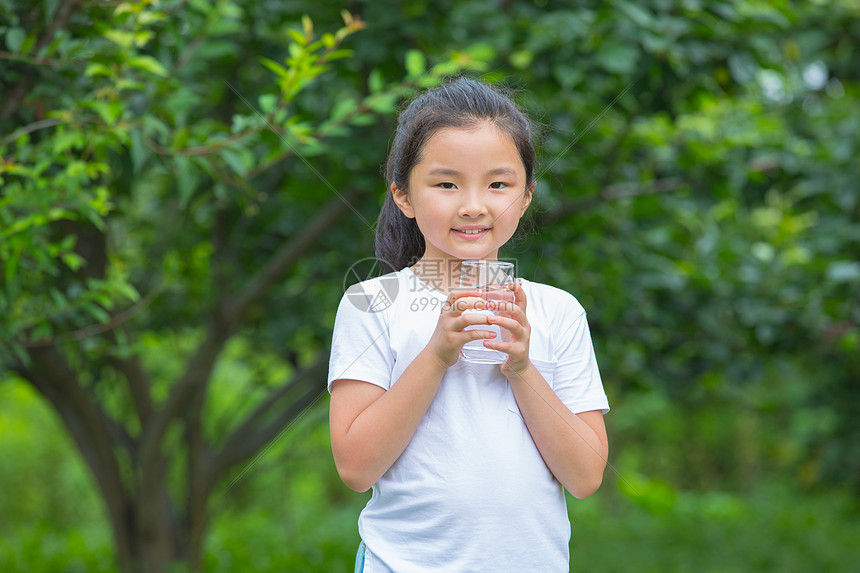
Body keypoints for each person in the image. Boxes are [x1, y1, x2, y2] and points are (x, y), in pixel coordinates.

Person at [328, 77, 610, 573]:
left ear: (526, 197)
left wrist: (522, 367)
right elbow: (355, 466)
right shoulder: (372, 304)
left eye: (498, 184)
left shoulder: (557, 312)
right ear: (404, 195)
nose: (474, 205)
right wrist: (436, 355)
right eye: (446, 183)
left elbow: (586, 475)